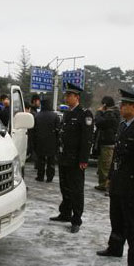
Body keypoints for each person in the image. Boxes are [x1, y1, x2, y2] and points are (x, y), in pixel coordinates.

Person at [96, 89, 134, 266]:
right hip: (118, 183)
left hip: (132, 186)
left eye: (124, 105)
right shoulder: (123, 125)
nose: (120, 108)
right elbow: (116, 156)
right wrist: (110, 179)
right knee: (117, 219)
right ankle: (115, 248)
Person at [49, 83, 93, 233]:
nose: (66, 98)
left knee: (76, 190)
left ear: (77, 97)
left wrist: (84, 159)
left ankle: (76, 219)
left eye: (69, 95)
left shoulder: (84, 114)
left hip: (75, 160)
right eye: (66, 95)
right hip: (64, 157)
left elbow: (87, 139)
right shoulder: (67, 113)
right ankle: (65, 213)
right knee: (64, 187)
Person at [93, 96, 120, 192]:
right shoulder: (112, 113)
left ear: (105, 104)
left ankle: (106, 185)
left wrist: (99, 112)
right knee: (102, 165)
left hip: (108, 143)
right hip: (105, 142)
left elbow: (99, 122)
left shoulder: (111, 113)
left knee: (106, 165)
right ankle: (102, 183)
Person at [32, 98, 59, 183]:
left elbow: (33, 130)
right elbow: (58, 130)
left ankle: (40, 176)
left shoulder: (37, 115)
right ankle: (49, 177)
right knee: (51, 160)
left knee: (40, 160)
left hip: (40, 141)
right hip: (52, 142)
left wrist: (34, 143)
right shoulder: (55, 116)